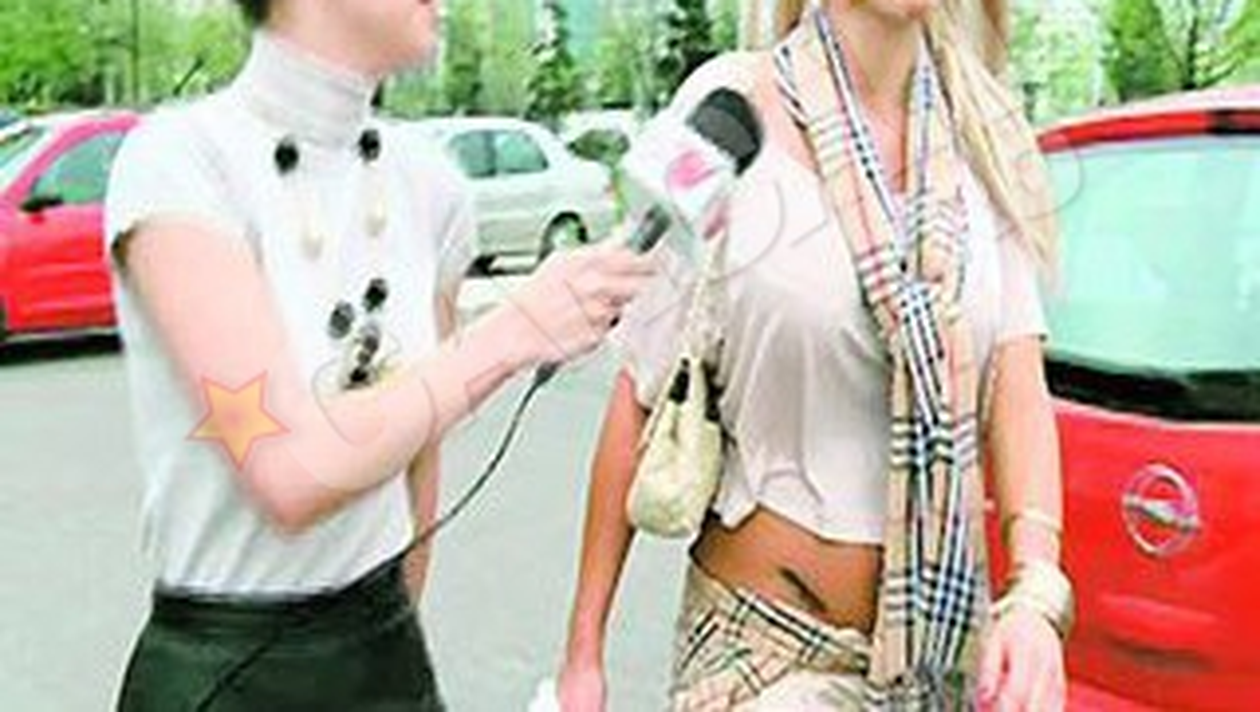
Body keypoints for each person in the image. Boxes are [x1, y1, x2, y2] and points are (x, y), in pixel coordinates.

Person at [105, 0, 654, 709]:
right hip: (226, 670)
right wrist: (514, 330)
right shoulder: (180, 161)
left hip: (385, 651)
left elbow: (420, 453)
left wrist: (397, 628)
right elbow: (291, 472)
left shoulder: (431, 185)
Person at [559, 0, 1068, 709]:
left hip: (937, 660)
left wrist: (1036, 591)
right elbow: (638, 388)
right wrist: (583, 654)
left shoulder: (985, 132)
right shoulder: (724, 106)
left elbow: (1018, 384)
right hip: (763, 653)